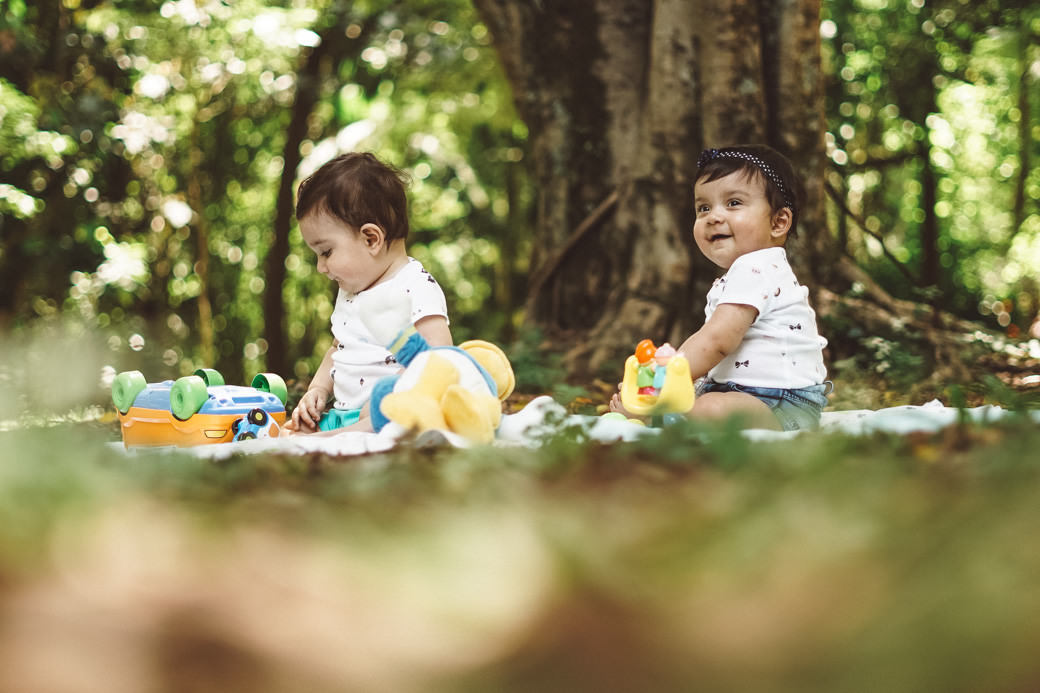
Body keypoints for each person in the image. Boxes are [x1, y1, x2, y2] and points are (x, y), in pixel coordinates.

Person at [610, 144, 829, 431]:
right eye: (703, 207)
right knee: (707, 401)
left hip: (783, 403)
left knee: (711, 408)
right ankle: (664, 411)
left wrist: (666, 378)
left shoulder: (757, 268)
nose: (714, 216)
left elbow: (716, 341)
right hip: (744, 393)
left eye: (734, 203)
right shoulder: (748, 271)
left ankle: (660, 416)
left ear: (779, 222)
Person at [283, 152, 452, 434]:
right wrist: (318, 389)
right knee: (294, 432)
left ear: (371, 238)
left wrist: (399, 386)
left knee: (390, 412)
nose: (320, 267)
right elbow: (338, 348)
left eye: (326, 252)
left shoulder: (416, 286)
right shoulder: (351, 293)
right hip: (345, 414)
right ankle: (335, 434)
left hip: (392, 414)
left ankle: (340, 438)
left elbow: (439, 358)